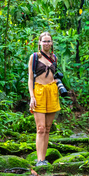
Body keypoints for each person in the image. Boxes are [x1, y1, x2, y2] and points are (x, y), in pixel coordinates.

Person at [28, 32, 61, 166]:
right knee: (40, 128)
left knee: (47, 128)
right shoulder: (34, 57)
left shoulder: (54, 58)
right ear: (40, 43)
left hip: (52, 92)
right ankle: (39, 160)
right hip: (39, 91)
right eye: (44, 41)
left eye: (49, 41)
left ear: (52, 43)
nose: (47, 43)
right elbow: (30, 78)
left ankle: (44, 158)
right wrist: (32, 96)